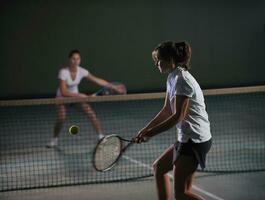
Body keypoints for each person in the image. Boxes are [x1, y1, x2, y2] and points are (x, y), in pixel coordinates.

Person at [133, 41, 212, 200]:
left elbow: (178, 116)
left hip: (194, 141)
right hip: (188, 138)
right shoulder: (172, 77)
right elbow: (167, 110)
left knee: (181, 194)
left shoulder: (182, 79)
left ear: (170, 59)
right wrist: (145, 129)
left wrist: (151, 133)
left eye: (158, 59)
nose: (156, 63)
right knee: (159, 168)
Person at [46, 49, 123, 148]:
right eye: (73, 58)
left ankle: (100, 136)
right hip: (62, 98)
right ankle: (54, 140)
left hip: (76, 98)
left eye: (78, 59)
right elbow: (64, 91)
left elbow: (97, 80)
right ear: (69, 60)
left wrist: (114, 87)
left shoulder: (81, 71)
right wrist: (80, 95)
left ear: (80, 60)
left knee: (90, 113)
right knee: (61, 117)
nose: (76, 61)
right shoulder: (63, 72)